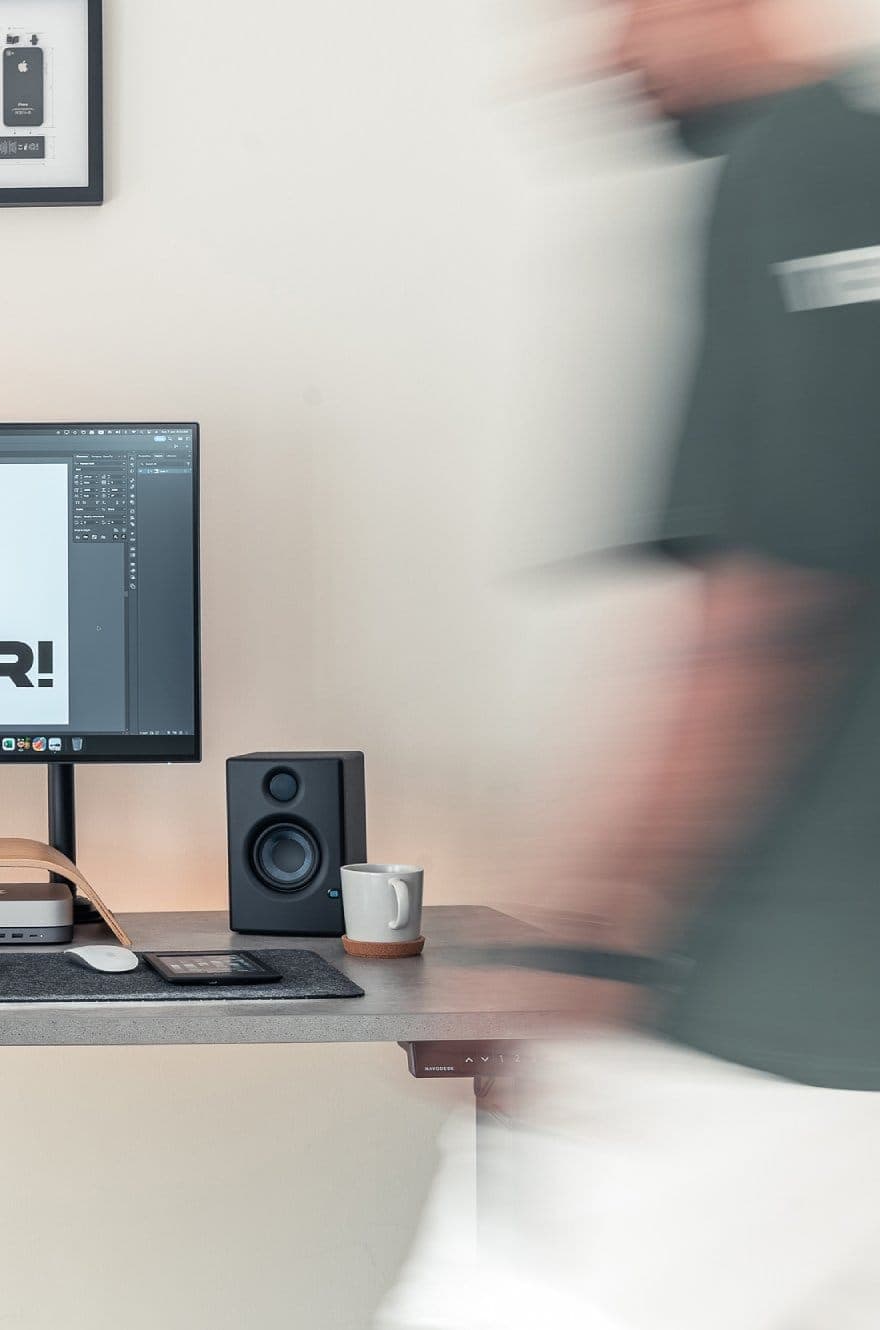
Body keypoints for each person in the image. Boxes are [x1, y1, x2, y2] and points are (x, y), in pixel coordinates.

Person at [381, 2, 880, 1325]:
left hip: (769, 1018)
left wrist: (567, 948)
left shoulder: (800, 166)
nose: (596, 59)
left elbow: (763, 618)